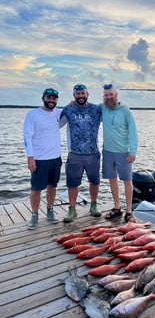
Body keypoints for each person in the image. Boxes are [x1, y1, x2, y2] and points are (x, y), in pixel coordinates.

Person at [60, 83, 102, 222]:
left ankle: (93, 205)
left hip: (93, 153)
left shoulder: (97, 109)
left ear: (87, 94)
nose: (80, 96)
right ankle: (72, 210)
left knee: (94, 181)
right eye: (78, 94)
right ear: (74, 95)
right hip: (75, 154)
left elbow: (112, 112)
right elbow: (55, 125)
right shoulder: (68, 109)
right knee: (72, 183)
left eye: (83, 93)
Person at [23, 88, 62, 230]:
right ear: (43, 98)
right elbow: (27, 136)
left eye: (54, 98)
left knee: (53, 186)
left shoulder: (59, 113)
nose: (52, 100)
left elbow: (71, 112)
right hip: (39, 159)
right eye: (49, 97)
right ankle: (34, 214)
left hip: (56, 158)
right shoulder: (33, 114)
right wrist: (30, 157)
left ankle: (50, 210)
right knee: (36, 189)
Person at [101, 83, 138, 223]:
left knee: (127, 181)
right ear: (103, 97)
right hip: (107, 151)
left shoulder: (125, 111)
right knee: (112, 179)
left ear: (116, 95)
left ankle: (129, 211)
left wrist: (133, 151)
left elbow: (133, 133)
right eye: (106, 95)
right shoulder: (102, 109)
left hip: (123, 152)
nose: (109, 97)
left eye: (111, 94)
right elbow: (88, 108)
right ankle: (117, 208)